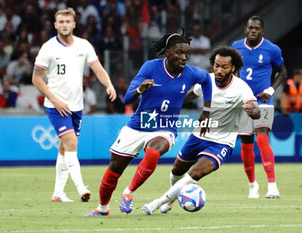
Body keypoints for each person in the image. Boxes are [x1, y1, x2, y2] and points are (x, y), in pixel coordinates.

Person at [85, 30, 213, 217]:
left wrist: (207, 111)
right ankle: (102, 208)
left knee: (153, 152)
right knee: (115, 168)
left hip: (166, 126)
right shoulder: (150, 68)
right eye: (179, 52)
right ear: (168, 52)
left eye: (187, 53)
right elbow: (127, 99)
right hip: (138, 125)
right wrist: (139, 89)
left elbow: (207, 81)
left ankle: (129, 192)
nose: (184, 57)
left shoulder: (192, 73)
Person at [142, 46, 260, 214]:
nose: (219, 70)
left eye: (224, 67)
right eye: (216, 65)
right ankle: (171, 200)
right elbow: (191, 95)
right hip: (199, 136)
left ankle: (157, 203)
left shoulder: (241, 88)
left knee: (194, 173)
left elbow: (254, 108)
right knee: (176, 171)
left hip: (221, 143)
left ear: (233, 68)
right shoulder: (207, 80)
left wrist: (253, 111)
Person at [32, 8, 116, 203]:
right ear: (55, 25)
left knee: (63, 148)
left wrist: (109, 85)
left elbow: (98, 69)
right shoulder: (48, 48)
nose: (64, 25)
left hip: (76, 106)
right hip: (56, 105)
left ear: (74, 24)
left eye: (67, 21)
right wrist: (54, 100)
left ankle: (58, 193)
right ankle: (81, 189)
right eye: (60, 21)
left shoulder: (83, 45)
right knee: (71, 143)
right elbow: (36, 79)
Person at [232, 15, 287, 199]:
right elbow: (234, 71)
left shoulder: (272, 49)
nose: (253, 31)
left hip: (263, 101)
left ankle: (272, 185)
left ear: (262, 30)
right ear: (246, 29)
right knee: (246, 145)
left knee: (262, 138)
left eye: (257, 28)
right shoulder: (236, 47)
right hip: (244, 102)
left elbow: (283, 71)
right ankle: (252, 184)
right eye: (250, 28)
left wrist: (271, 89)